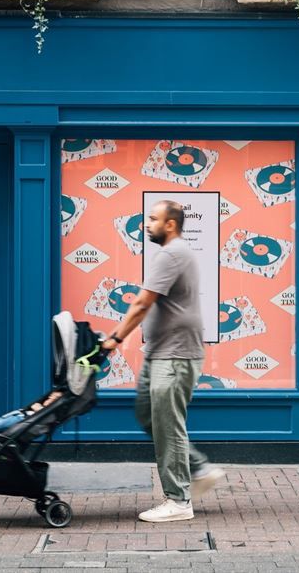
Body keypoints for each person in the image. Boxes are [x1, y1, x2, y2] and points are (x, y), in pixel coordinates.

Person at [102, 199, 225, 523]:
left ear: (170, 224)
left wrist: (114, 339)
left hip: (175, 354)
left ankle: (178, 501)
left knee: (167, 425)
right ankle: (197, 468)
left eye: (153, 219)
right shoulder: (171, 253)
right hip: (161, 353)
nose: (147, 224)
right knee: (148, 415)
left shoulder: (172, 253)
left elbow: (143, 302)